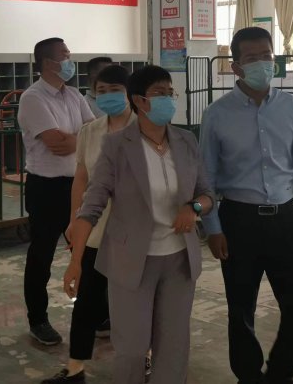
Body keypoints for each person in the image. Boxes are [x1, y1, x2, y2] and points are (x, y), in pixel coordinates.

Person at [64, 65, 214, 384]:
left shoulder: (186, 141)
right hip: (131, 260)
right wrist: (76, 261)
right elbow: (92, 205)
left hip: (179, 261)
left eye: (170, 93)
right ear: (139, 100)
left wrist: (194, 207)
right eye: (159, 93)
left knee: (173, 346)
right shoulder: (117, 146)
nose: (168, 99)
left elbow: (207, 193)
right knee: (132, 347)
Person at [199, 27, 293, 384]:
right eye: (252, 58)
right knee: (241, 309)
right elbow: (206, 177)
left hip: (285, 219)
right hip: (239, 221)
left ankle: (280, 374)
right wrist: (213, 229)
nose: (262, 63)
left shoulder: (289, 106)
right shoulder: (217, 114)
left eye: (266, 56)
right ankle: (249, 376)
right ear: (236, 66)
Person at [42, 65, 137, 384]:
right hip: (95, 228)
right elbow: (81, 177)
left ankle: (145, 359)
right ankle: (75, 368)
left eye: (115, 90)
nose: (108, 96)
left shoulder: (145, 129)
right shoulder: (90, 131)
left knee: (135, 301)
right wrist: (74, 219)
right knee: (87, 299)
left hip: (135, 231)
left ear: (129, 93)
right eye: (102, 91)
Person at [18, 37, 95, 346]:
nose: (69, 59)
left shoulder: (74, 95)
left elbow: (95, 135)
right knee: (42, 255)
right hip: (46, 188)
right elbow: (56, 143)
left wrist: (74, 139)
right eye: (65, 55)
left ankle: (95, 313)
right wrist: (79, 139)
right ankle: (38, 319)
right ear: (49, 63)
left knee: (88, 251)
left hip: (78, 184)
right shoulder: (33, 98)